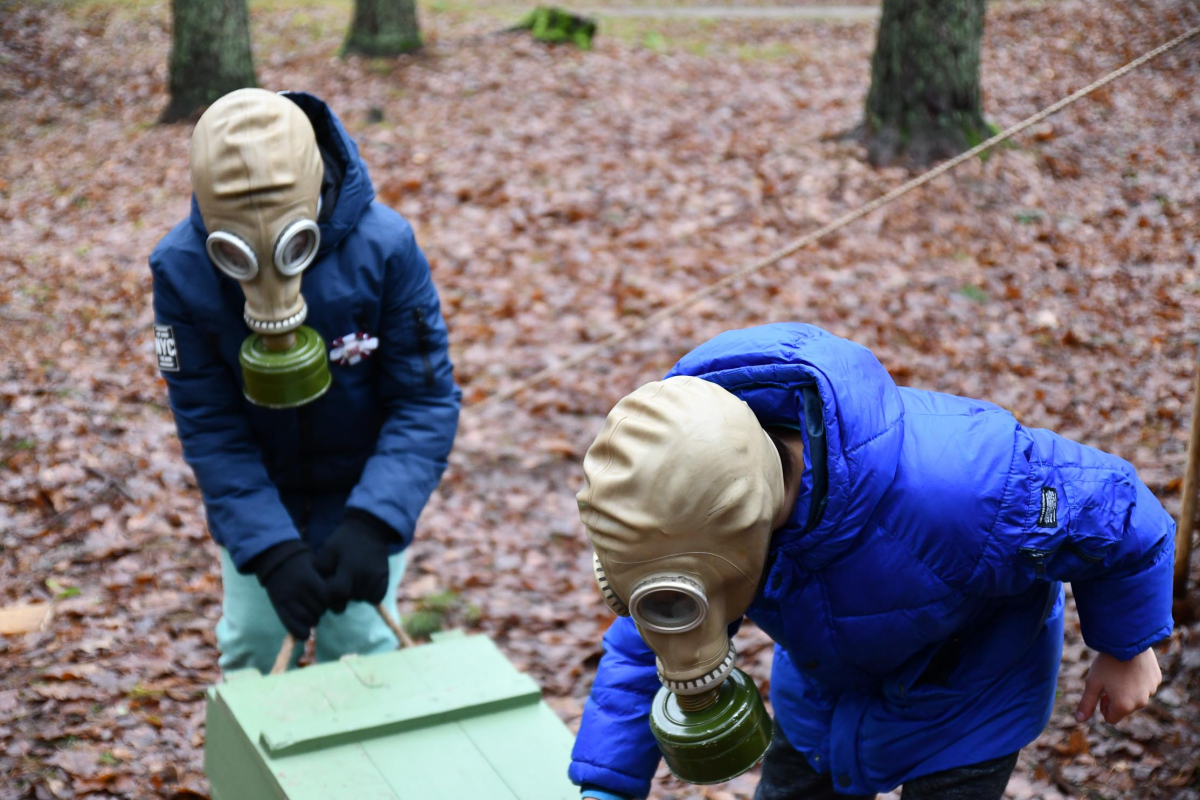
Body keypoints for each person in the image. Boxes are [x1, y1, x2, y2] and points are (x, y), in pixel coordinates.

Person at [570, 322, 1171, 800]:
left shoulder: (963, 486)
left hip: (965, 698)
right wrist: (607, 780)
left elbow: (1116, 511)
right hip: (824, 695)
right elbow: (650, 637)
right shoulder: (685, 501)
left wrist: (1125, 647)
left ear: (745, 525)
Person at [149, 89, 460, 674]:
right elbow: (208, 423)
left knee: (367, 658)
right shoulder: (183, 269)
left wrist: (374, 521)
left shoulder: (385, 249)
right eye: (235, 254)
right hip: (258, 506)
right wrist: (267, 548)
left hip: (362, 495)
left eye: (291, 244)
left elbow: (424, 398)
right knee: (253, 650)